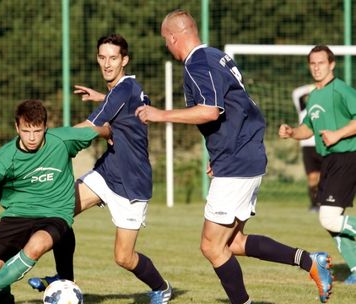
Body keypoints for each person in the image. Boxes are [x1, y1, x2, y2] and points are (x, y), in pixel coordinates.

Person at [135, 9, 334, 304]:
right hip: (242, 154)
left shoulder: (197, 62)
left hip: (239, 160)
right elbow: (236, 107)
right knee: (233, 242)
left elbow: (210, 110)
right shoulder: (215, 55)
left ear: (174, 37)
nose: (167, 47)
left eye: (166, 41)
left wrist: (160, 114)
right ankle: (309, 261)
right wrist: (219, 150)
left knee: (211, 247)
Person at [28, 34, 173, 304]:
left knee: (124, 257)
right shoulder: (125, 90)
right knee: (59, 208)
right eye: (102, 57)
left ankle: (161, 287)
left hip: (132, 184)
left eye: (113, 58)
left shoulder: (122, 90)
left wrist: (44, 137)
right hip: (107, 173)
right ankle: (64, 279)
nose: (107, 64)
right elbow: (127, 110)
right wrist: (102, 98)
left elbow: (89, 128)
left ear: (124, 60)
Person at [0, 99, 110, 304]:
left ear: (45, 128)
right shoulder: (6, 156)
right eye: (26, 131)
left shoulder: (62, 140)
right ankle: (4, 298)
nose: (32, 137)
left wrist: (109, 134)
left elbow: (96, 131)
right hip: (17, 214)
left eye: (37, 131)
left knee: (37, 243)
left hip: (55, 213)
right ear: (17, 128)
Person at [279, 45, 356, 285]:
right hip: (329, 161)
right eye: (312, 63)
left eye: (321, 62)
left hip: (347, 155)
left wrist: (338, 134)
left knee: (329, 217)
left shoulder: (341, 89)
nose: (316, 67)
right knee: (332, 221)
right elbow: (308, 129)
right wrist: (292, 132)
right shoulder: (313, 96)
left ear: (331, 64)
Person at [291, 83, 323, 212]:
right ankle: (314, 204)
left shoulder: (322, 109)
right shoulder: (303, 109)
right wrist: (314, 86)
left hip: (322, 145)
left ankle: (324, 203)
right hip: (308, 148)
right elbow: (296, 93)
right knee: (312, 178)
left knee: (324, 177)